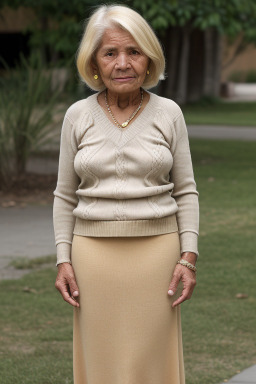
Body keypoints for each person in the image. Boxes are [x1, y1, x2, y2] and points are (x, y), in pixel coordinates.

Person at [53, 4, 199, 384]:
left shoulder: (169, 113)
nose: (122, 63)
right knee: (100, 361)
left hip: (157, 259)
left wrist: (188, 257)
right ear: (95, 63)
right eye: (110, 52)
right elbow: (65, 196)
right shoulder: (77, 116)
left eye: (133, 51)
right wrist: (62, 259)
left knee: (152, 363)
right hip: (92, 259)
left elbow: (186, 191)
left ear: (149, 60)